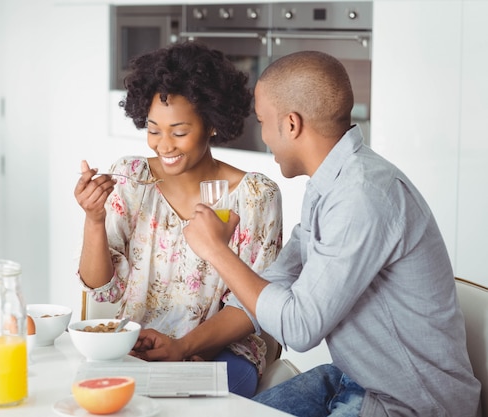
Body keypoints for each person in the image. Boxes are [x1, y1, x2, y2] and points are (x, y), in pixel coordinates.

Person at [180, 50, 482, 416]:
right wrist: (182, 347)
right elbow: (279, 278)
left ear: (291, 125)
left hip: (411, 405)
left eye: (262, 121)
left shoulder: (362, 195)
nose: (263, 137)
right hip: (355, 378)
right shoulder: (328, 185)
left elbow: (299, 326)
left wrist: (216, 251)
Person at [73, 41, 283, 398]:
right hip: (137, 346)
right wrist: (94, 220)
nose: (163, 145)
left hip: (221, 353)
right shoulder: (131, 177)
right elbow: (102, 290)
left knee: (176, 400)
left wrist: (183, 347)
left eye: (180, 132)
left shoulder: (255, 196)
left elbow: (254, 305)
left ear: (212, 124)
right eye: (154, 130)